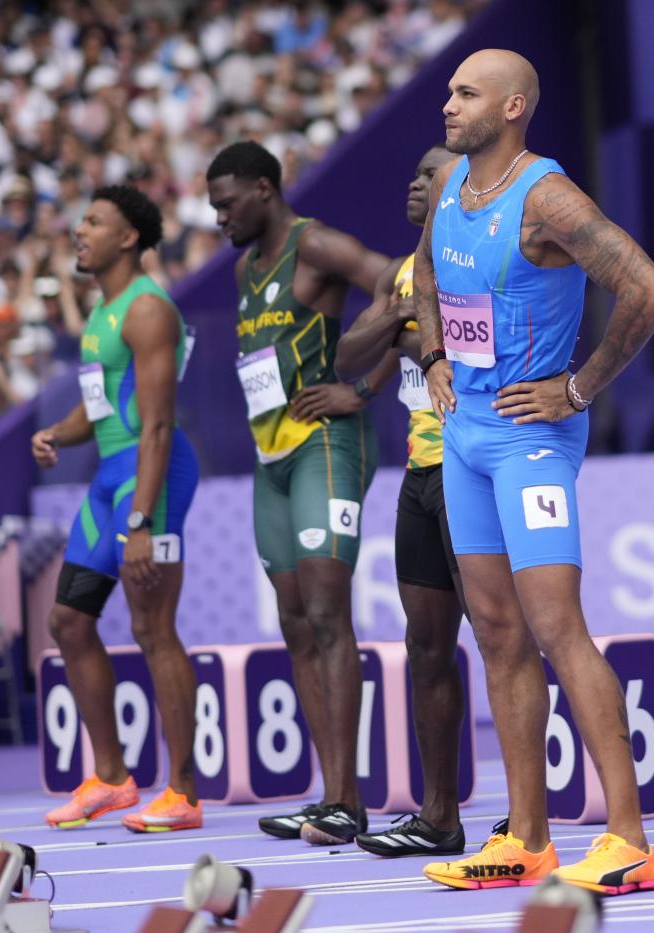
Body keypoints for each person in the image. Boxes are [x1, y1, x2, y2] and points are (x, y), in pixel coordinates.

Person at [413, 50, 654, 896]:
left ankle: (627, 837)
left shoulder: (546, 196)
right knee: (495, 632)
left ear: (514, 105)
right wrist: (431, 354)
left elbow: (648, 288)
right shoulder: (452, 180)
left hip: (531, 440)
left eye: (466, 93)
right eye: (450, 91)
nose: (448, 105)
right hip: (464, 434)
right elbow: (423, 271)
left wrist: (578, 385)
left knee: (558, 628)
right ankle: (527, 837)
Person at [206, 141, 391, 846]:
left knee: (325, 611)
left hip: (324, 448)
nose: (219, 217)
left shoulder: (315, 245)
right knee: (292, 619)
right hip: (271, 458)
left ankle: (348, 800)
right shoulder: (246, 265)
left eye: (227, 203)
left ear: (263, 188)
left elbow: (400, 285)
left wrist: (361, 388)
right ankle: (329, 794)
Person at [31, 185, 202, 833]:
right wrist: (57, 434)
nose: (80, 231)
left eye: (94, 222)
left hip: (150, 478)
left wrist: (140, 521)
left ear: (128, 238)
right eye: (81, 221)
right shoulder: (102, 316)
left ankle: (182, 791)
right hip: (109, 477)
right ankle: (110, 777)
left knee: (153, 628)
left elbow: (157, 425)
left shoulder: (148, 310)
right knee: (69, 620)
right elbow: (101, 407)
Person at [335, 143, 470, 857]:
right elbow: (353, 353)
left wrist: (416, 321)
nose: (414, 183)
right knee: (426, 649)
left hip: (473, 468)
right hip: (420, 473)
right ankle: (439, 817)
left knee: (507, 644)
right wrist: (401, 313)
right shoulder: (405, 272)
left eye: (431, 173)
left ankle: (529, 820)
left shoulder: (477, 255)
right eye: (412, 172)